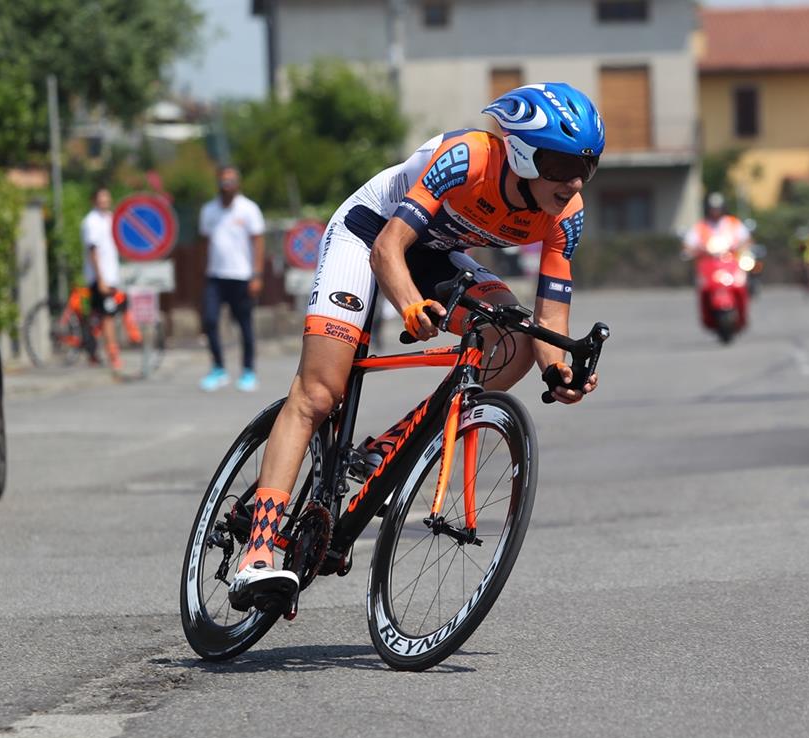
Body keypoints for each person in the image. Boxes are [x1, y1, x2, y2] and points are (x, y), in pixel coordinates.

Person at [226, 82, 605, 611]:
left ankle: (391, 445)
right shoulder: (466, 157)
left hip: (435, 254)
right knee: (319, 393)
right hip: (369, 237)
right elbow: (387, 249)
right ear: (522, 152)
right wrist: (408, 305)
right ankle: (258, 554)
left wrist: (557, 371)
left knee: (514, 337)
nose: (573, 181)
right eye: (561, 165)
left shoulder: (568, 213)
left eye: (586, 168)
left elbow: (550, 316)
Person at [198, 166, 267, 392]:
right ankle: (218, 368)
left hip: (242, 276)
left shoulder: (248, 209)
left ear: (237, 183)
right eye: (223, 181)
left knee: (244, 325)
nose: (226, 186)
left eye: (231, 181)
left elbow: (258, 242)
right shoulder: (209, 210)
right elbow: (205, 243)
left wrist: (256, 274)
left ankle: (248, 370)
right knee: (209, 320)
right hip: (216, 277)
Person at [80, 186, 123, 372]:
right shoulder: (92, 222)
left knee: (99, 316)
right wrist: (101, 279)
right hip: (100, 278)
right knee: (108, 317)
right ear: (94, 200)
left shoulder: (111, 219)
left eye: (107, 197)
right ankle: (113, 355)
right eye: (101, 198)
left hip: (111, 276)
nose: (104, 201)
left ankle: (92, 352)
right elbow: (93, 252)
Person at [681, 192, 750, 259]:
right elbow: (688, 244)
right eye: (713, 208)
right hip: (707, 262)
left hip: (732, 262)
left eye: (718, 208)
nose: (715, 211)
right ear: (708, 208)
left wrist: (741, 248)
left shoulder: (733, 222)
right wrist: (696, 250)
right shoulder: (701, 225)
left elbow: (747, 240)